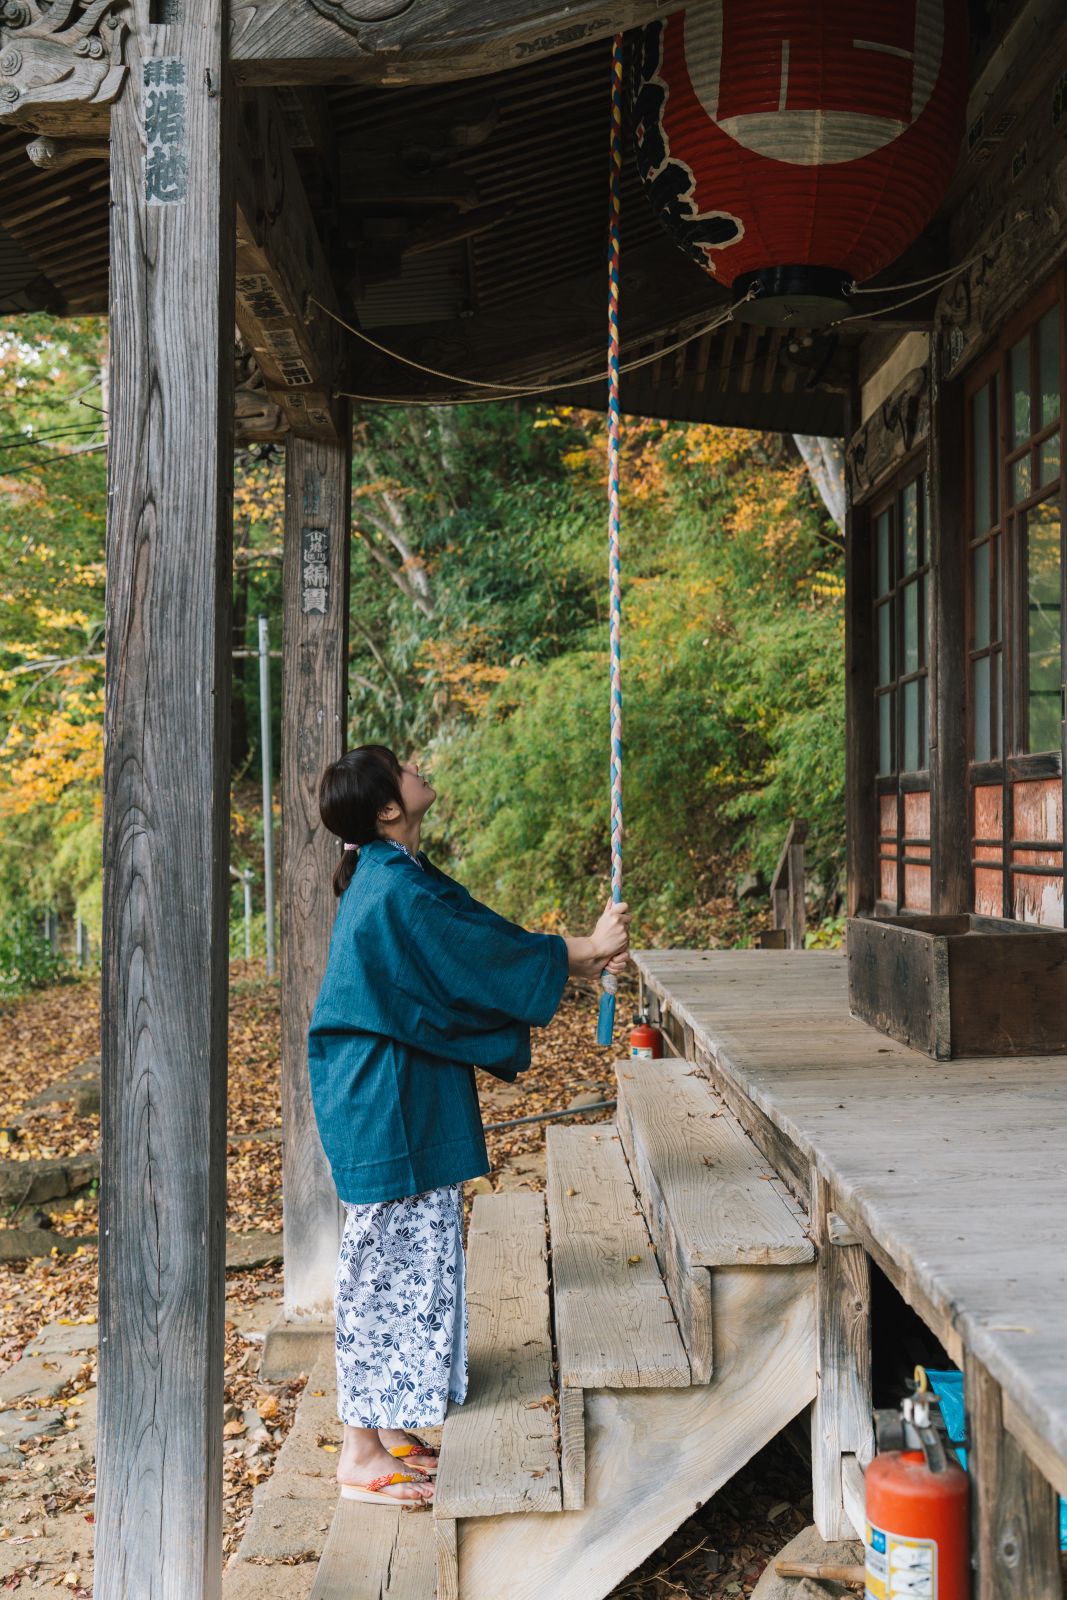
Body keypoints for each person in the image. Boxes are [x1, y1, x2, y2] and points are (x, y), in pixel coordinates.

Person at [308, 745, 630, 1506]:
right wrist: (581, 952)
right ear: (388, 806)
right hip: (380, 1096)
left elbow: (475, 936)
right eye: (402, 768)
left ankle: (383, 1429)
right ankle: (357, 1453)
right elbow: (472, 955)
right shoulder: (391, 886)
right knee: (379, 1267)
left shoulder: (396, 873)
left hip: (395, 1088)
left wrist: (576, 959)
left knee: (408, 1254)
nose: (417, 768)